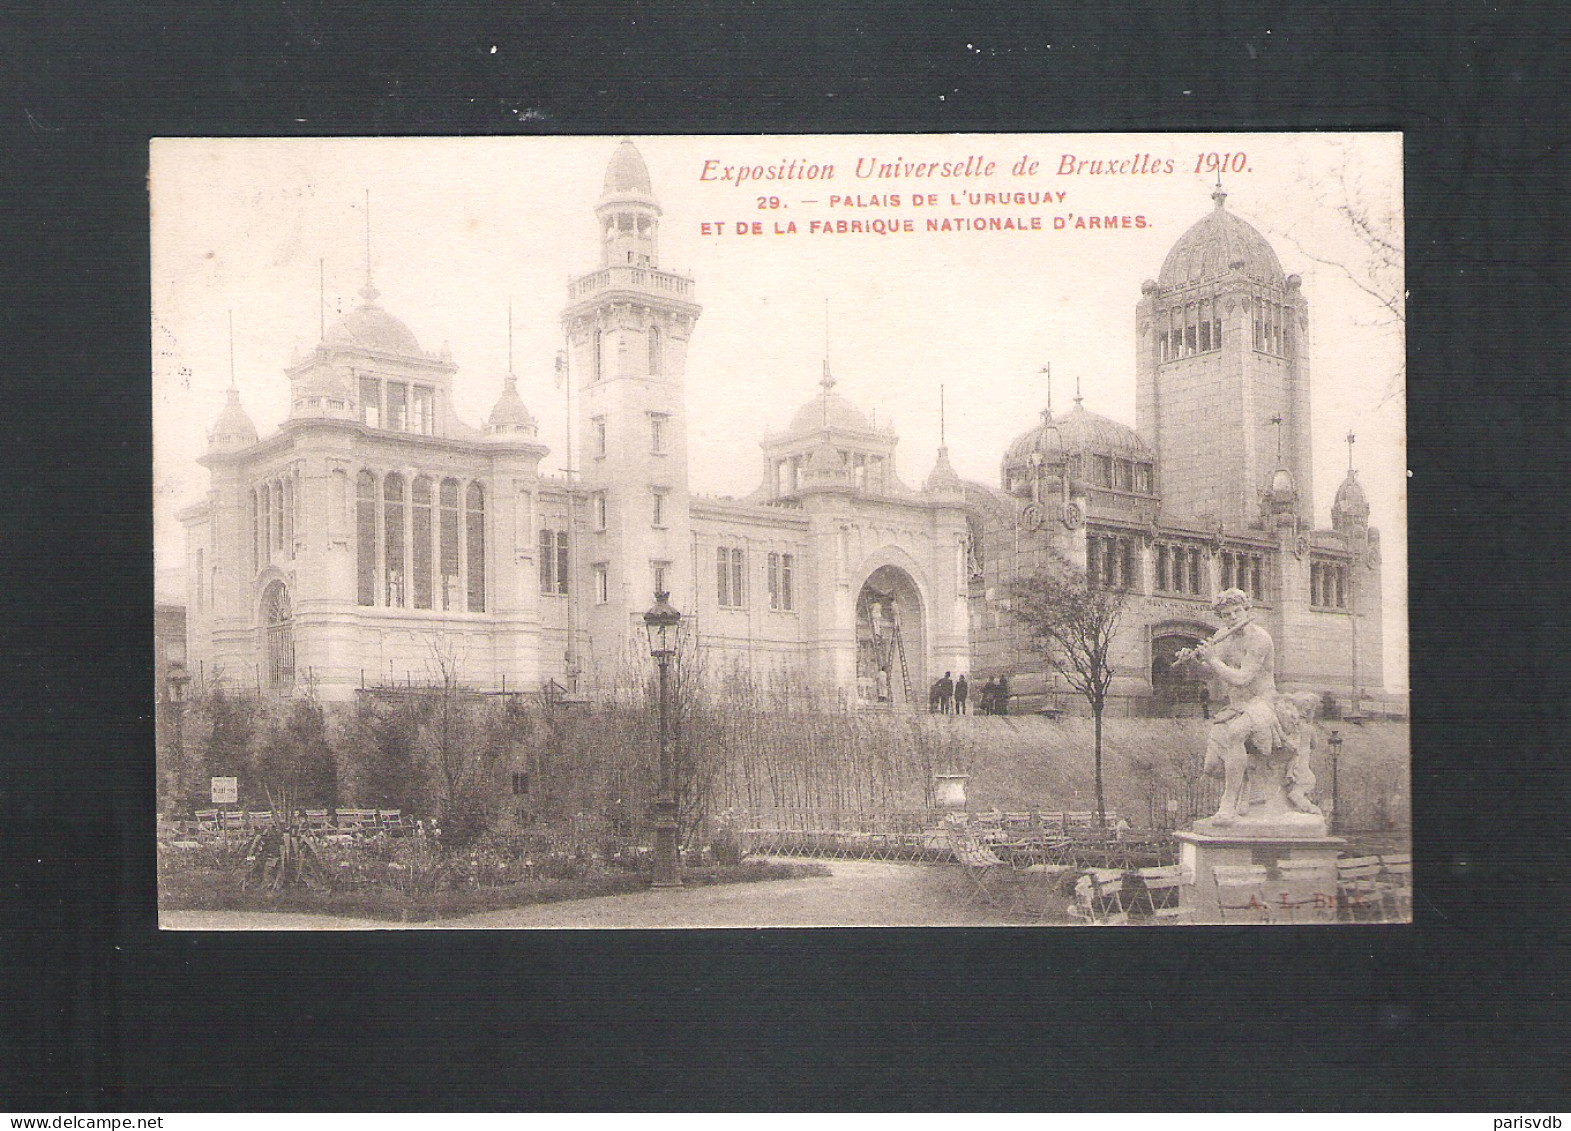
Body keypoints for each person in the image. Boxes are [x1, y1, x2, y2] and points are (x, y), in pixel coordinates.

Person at [1191, 588, 1277, 825]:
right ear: (1221, 617)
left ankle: (1227, 803)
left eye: (1237, 611)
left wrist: (1213, 659)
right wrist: (1196, 660)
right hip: (1236, 706)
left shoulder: (1260, 638)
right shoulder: (1223, 635)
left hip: (1262, 703)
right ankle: (1246, 781)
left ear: (1246, 609)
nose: (1233, 618)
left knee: (1236, 732)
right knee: (1211, 767)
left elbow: (1241, 678)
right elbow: (1212, 671)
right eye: (1227, 614)